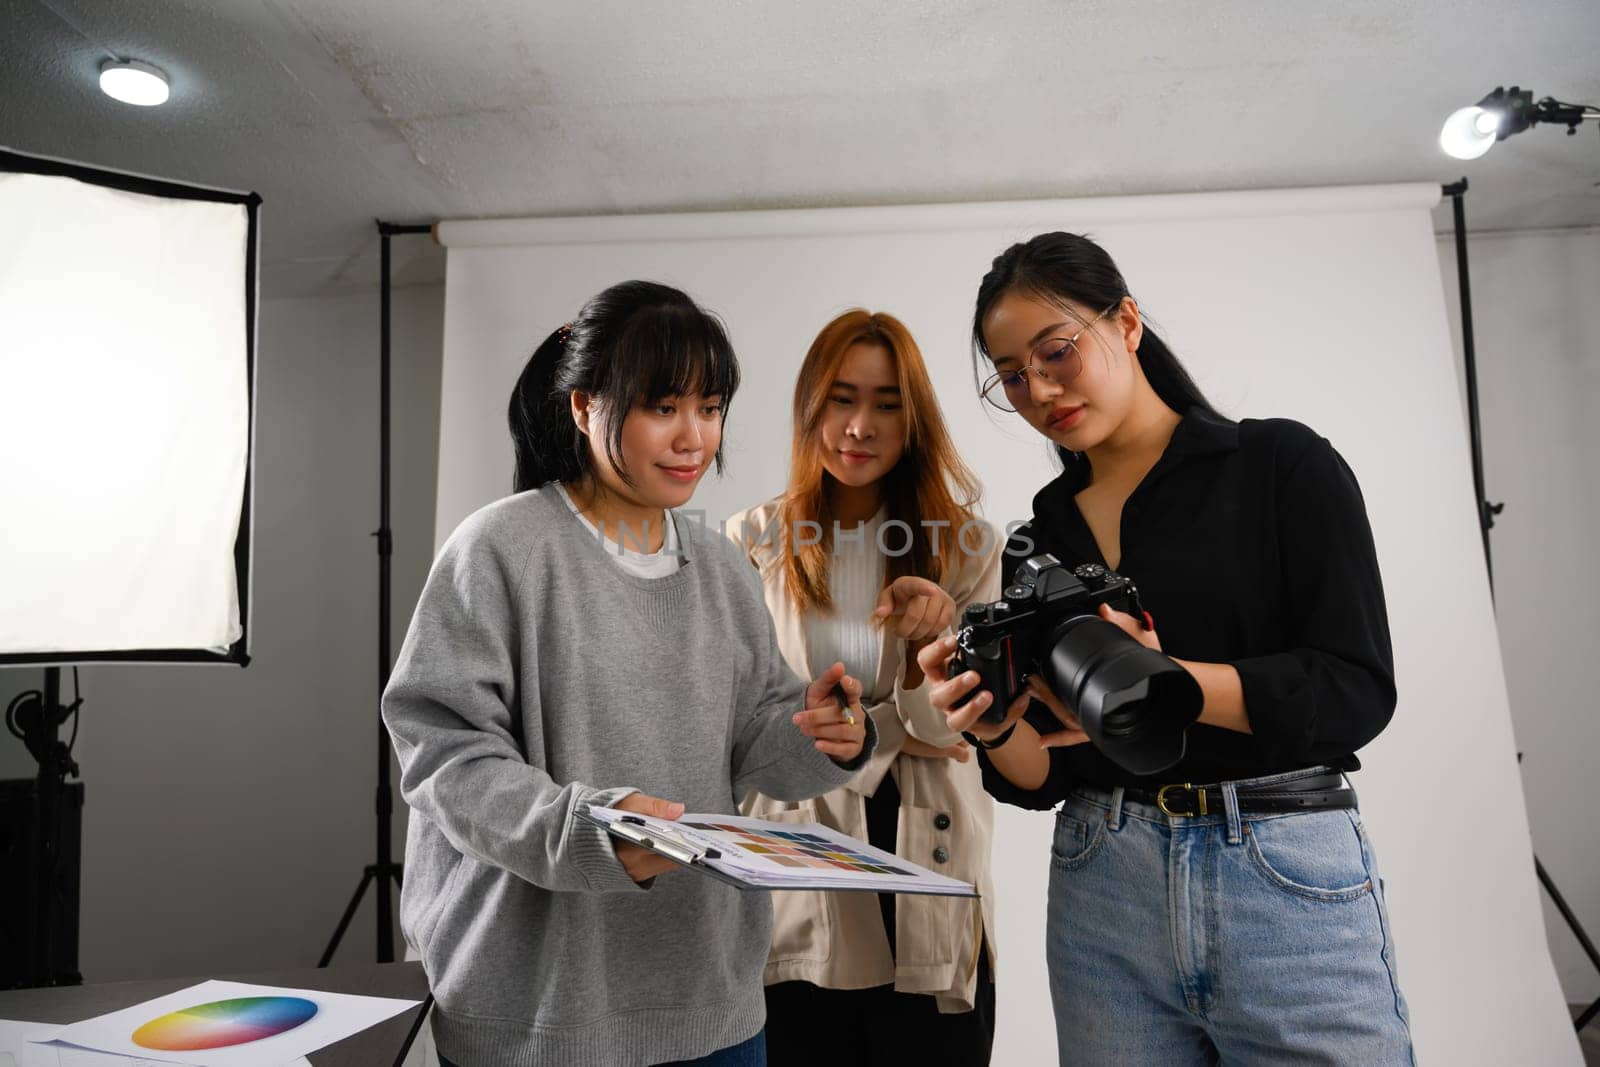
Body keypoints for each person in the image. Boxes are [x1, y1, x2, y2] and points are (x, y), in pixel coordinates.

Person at [917, 233, 1414, 1064]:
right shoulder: (1043, 535)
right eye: (1010, 374)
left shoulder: (1281, 465)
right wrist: (992, 722)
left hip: (1282, 870)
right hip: (1104, 878)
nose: (1037, 388)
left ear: (1128, 322)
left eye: (1057, 351)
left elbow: (1357, 687)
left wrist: (1169, 681)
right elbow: (1053, 775)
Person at [382, 280, 874, 1067]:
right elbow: (445, 756)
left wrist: (826, 733)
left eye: (710, 408)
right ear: (584, 408)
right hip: (541, 1010)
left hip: (711, 1002)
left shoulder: (719, 564)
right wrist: (590, 832)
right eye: (662, 407)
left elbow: (757, 739)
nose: (693, 437)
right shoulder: (500, 549)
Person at [726, 309, 1002, 1066]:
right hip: (798, 878)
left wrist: (916, 666)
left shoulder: (968, 547)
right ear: (810, 404)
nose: (859, 425)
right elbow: (740, 727)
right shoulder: (750, 542)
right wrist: (900, 724)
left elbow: (960, 729)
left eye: (887, 404)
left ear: (915, 419)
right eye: (842, 398)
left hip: (925, 868)